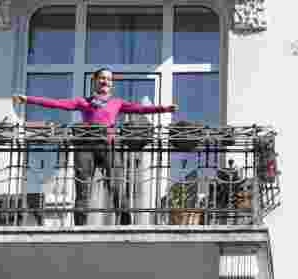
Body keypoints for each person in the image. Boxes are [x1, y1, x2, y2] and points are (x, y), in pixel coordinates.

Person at [12, 68, 177, 225]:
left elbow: (140, 109)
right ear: (95, 81)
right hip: (86, 147)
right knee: (83, 188)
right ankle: (80, 227)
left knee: (117, 185)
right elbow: (56, 103)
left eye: (109, 79)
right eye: (102, 78)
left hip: (108, 146)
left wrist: (164, 109)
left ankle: (126, 224)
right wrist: (28, 99)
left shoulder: (116, 103)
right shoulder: (84, 102)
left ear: (111, 84)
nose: (106, 81)